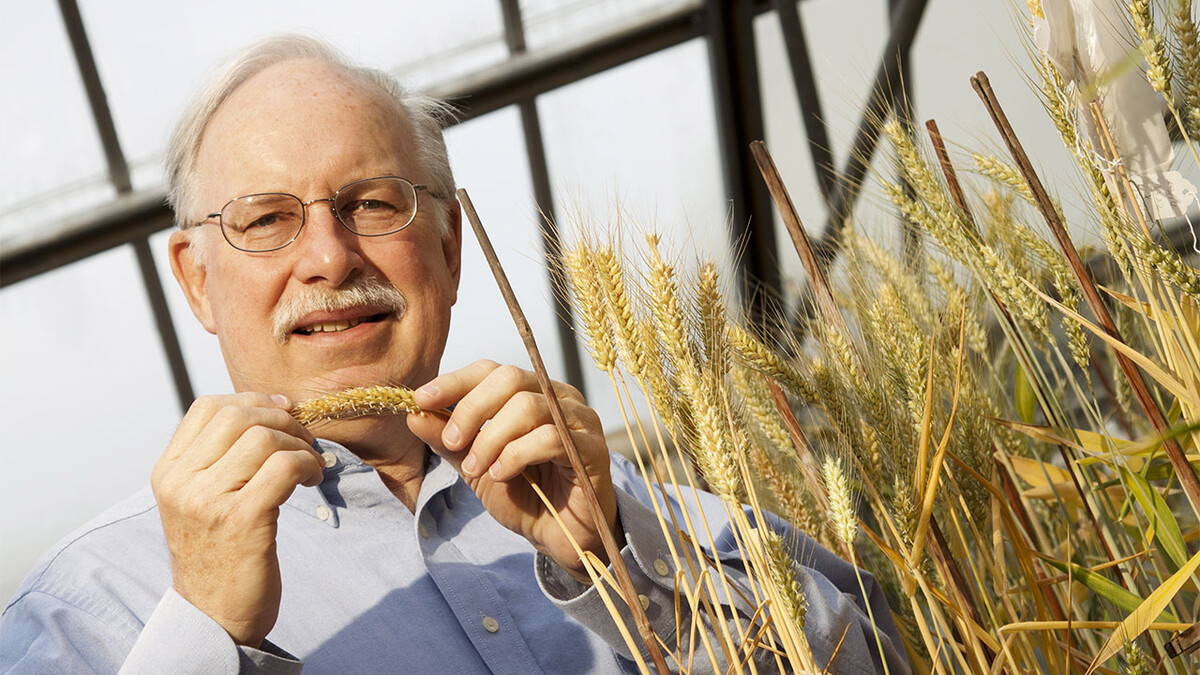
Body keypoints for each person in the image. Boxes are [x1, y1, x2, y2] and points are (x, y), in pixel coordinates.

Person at [0, 36, 907, 674]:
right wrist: (203, 632)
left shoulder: (641, 508)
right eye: (269, 219)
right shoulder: (85, 610)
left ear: (449, 248)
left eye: (374, 202)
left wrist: (621, 566)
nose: (328, 256)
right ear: (196, 281)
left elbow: (891, 658)